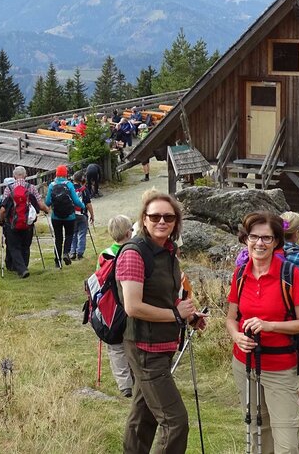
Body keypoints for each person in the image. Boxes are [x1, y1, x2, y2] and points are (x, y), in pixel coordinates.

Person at [116, 190, 206, 454]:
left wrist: (188, 316)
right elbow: (133, 307)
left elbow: (167, 298)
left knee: (143, 417)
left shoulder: (167, 251)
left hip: (162, 344)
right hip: (145, 347)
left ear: (176, 221)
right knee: (175, 421)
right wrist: (176, 315)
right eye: (154, 216)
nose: (161, 221)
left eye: (168, 217)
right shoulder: (134, 253)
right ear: (144, 219)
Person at [226, 211, 299, 454]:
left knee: (286, 443)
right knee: (257, 432)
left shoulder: (290, 274)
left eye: (267, 238)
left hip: (280, 368)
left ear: (276, 241)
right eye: (254, 237)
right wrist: (236, 336)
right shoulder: (240, 274)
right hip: (244, 364)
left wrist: (269, 325)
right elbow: (231, 318)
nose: (259, 243)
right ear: (246, 239)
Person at [99, 215, 136, 397]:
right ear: (129, 231)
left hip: (111, 307)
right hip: (130, 304)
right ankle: (136, 377)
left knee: (115, 346)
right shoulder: (135, 252)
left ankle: (125, 385)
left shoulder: (105, 254)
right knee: (131, 341)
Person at [0, 167, 50, 278]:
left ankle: (22, 270)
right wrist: (46, 210)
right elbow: (40, 205)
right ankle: (24, 267)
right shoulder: (31, 188)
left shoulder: (9, 189)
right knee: (25, 246)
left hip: (12, 224)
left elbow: (3, 209)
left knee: (14, 247)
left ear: (14, 176)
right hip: (28, 224)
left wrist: (1, 220)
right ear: (25, 176)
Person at [45, 165, 85, 268]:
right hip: (69, 216)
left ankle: (57, 261)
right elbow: (76, 201)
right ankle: (66, 253)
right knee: (69, 235)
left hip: (56, 216)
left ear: (56, 174)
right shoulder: (69, 185)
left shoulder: (51, 185)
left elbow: (47, 202)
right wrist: (82, 206)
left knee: (58, 238)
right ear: (66, 174)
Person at [68, 171, 94, 260]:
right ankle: (80, 253)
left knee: (73, 233)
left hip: (71, 215)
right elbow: (88, 204)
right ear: (82, 179)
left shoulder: (69, 189)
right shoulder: (84, 189)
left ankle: (72, 252)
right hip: (82, 214)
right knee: (82, 233)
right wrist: (92, 215)